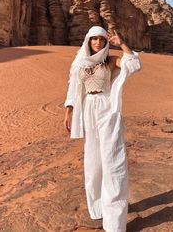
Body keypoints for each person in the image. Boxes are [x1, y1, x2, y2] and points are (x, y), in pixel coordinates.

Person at [63, 26, 142, 232]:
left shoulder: (110, 60)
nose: (98, 42)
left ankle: (115, 223)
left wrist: (122, 43)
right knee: (93, 159)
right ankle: (98, 208)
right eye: (94, 39)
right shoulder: (79, 62)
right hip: (88, 109)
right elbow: (73, 88)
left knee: (112, 159)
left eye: (101, 39)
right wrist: (68, 112)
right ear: (88, 41)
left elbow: (134, 65)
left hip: (107, 108)